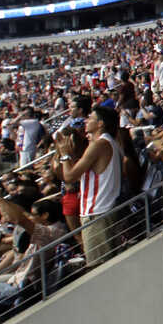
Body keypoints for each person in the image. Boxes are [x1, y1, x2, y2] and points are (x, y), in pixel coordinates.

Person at [55, 104, 123, 267]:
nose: (86, 121)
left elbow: (70, 177)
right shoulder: (109, 142)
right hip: (103, 211)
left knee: (99, 267)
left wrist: (64, 155)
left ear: (100, 123)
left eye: (90, 118)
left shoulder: (99, 144)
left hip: (96, 214)